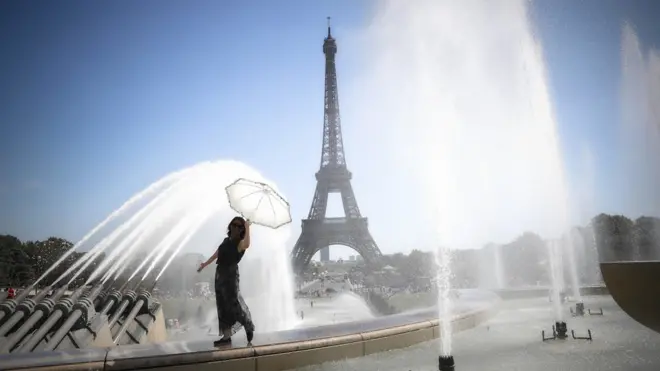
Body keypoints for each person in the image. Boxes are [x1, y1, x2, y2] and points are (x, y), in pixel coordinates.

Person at [197, 216, 255, 346]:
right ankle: (226, 336)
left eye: (239, 226)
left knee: (233, 303)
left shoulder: (239, 243)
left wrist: (247, 227)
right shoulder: (225, 241)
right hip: (220, 275)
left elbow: (247, 244)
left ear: (242, 229)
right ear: (230, 226)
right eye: (233, 224)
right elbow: (216, 254)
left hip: (231, 275)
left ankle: (247, 323)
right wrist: (204, 264)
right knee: (222, 305)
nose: (235, 227)